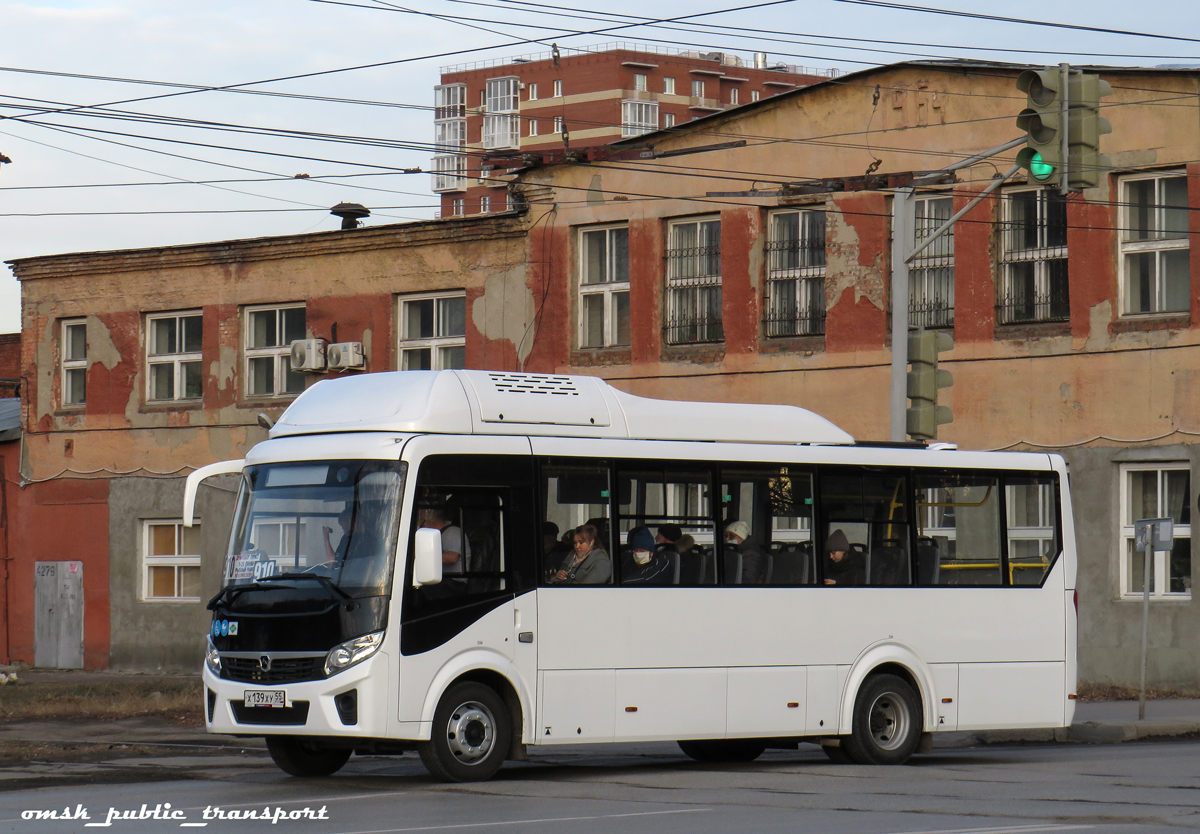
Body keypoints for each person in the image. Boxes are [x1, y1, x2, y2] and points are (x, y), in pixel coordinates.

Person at [419, 507, 471, 576]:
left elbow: (452, 558)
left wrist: (423, 557)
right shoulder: (438, 534)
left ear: (428, 521)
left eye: (421, 524)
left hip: (453, 581)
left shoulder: (452, 532)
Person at [724, 520, 765, 584]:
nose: (727, 539)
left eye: (731, 536)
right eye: (726, 536)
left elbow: (747, 581)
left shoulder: (752, 556)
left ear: (742, 537)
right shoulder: (733, 552)